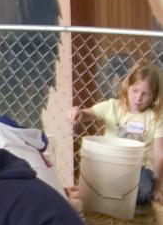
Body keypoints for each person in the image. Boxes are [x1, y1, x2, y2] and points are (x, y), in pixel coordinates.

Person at [68, 61, 163, 205]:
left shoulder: (156, 117)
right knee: (96, 170)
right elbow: (87, 113)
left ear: (154, 95)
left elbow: (160, 154)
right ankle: (93, 191)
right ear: (127, 87)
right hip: (111, 165)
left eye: (146, 94)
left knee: (143, 190)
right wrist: (77, 112)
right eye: (135, 91)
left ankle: (88, 192)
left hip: (139, 170)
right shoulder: (113, 107)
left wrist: (157, 188)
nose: (138, 98)